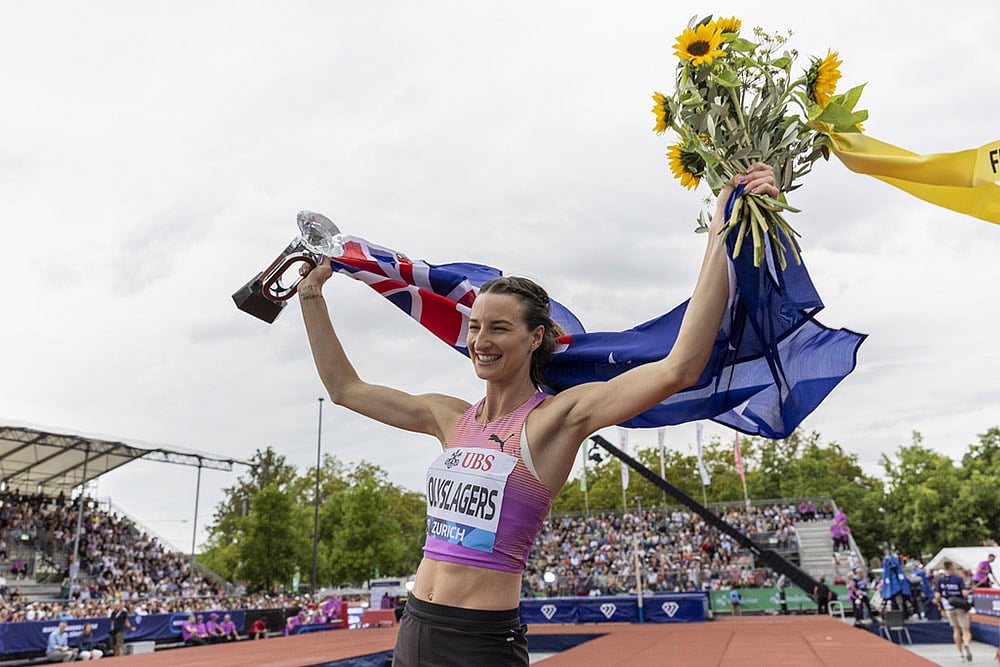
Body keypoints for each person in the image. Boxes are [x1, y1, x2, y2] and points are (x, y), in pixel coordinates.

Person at [297, 164, 779, 665]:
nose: (481, 342)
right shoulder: (450, 418)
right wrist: (311, 295)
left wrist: (722, 223)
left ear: (535, 338)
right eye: (476, 327)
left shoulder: (554, 420)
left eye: (499, 329)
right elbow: (345, 388)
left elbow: (678, 367)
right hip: (415, 627)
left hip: (480, 642)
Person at [935, 560, 973, 662]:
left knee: (956, 630)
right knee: (965, 630)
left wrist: (939, 605)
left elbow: (938, 595)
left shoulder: (940, 580)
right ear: (952, 568)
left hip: (949, 607)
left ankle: (961, 654)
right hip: (959, 606)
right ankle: (966, 643)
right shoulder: (958, 579)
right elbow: (965, 593)